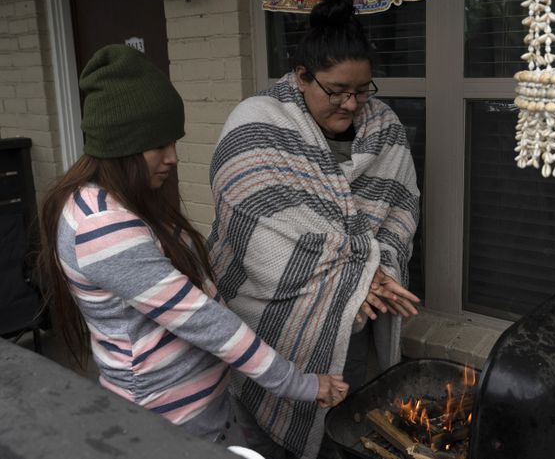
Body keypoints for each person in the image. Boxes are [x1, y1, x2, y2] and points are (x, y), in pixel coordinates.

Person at [37, 44, 348, 448]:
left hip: (200, 413)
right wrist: (302, 384)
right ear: (123, 146)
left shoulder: (118, 201)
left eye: (174, 142)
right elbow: (203, 319)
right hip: (166, 425)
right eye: (159, 145)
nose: (173, 158)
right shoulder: (104, 225)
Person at [207, 0, 421, 459]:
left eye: (362, 91)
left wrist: (373, 271)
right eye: (337, 91)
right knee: (266, 442)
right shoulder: (257, 120)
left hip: (354, 322)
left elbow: (398, 212)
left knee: (345, 425)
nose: (351, 105)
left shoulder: (383, 127)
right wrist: (355, 275)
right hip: (270, 321)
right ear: (302, 76)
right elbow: (253, 216)